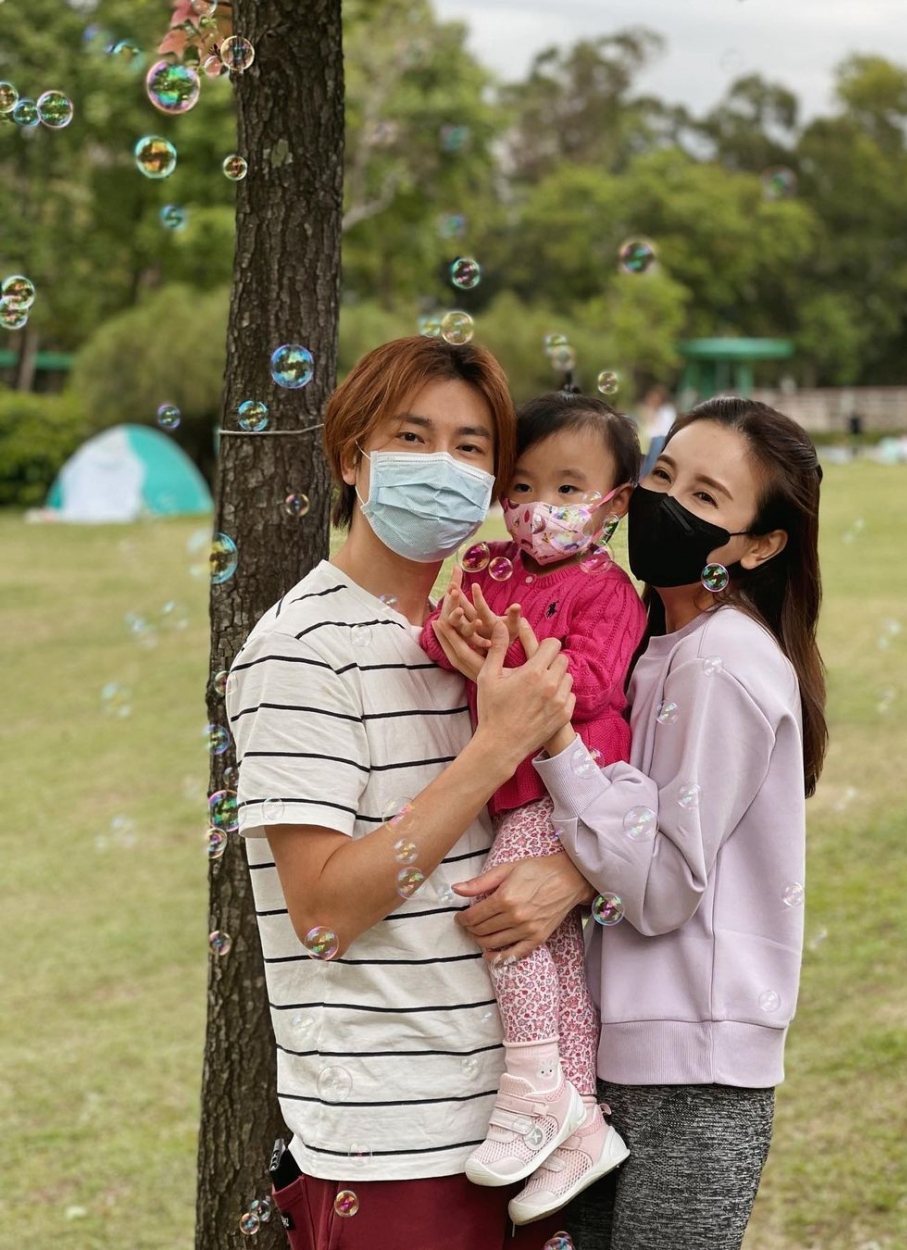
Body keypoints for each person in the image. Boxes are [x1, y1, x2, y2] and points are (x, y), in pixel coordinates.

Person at [225, 336, 593, 1250]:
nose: (445, 466)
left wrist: (575, 873)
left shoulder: (469, 635)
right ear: (352, 456)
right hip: (393, 1150)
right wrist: (496, 746)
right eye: (414, 437)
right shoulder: (297, 652)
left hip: (524, 1133)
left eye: (472, 448)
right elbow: (321, 913)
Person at [437, 396, 827, 1249]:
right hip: (616, 1055)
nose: (668, 506)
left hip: (693, 1069)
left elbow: (658, 888)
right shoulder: (652, 644)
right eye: (663, 475)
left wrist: (550, 734)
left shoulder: (723, 662)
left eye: (707, 499)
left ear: (759, 546)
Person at [419, 393, 646, 1225]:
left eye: (567, 488)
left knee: (506, 915)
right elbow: (441, 635)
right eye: (522, 485)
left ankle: (533, 1084)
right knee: (551, 950)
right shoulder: (483, 568)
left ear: (613, 501)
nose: (539, 508)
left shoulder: (610, 590)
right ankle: (582, 1120)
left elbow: (589, 684)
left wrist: (504, 656)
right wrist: (453, 634)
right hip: (513, 785)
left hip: (572, 782)